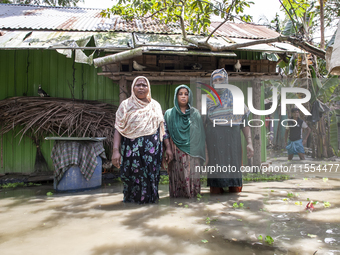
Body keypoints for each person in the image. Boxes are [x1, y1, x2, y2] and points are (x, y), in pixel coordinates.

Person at [112, 76, 173, 204]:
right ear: (132, 87)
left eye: (144, 85)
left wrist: (168, 148)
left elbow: (163, 128)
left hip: (152, 154)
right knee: (131, 179)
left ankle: (151, 205)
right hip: (131, 152)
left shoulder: (155, 106)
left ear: (148, 88)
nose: (141, 87)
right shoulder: (125, 105)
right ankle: (131, 205)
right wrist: (115, 150)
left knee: (151, 179)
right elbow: (118, 128)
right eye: (138, 85)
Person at [205, 68, 254, 194]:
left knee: (234, 185)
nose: (218, 82)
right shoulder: (207, 100)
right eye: (215, 80)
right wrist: (205, 151)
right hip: (214, 146)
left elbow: (244, 123)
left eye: (221, 79)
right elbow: (203, 127)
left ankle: (234, 200)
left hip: (233, 144)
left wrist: (249, 143)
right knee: (215, 185)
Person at [164, 85, 207, 198]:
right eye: (180, 94)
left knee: (192, 179)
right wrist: (168, 149)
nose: (183, 96)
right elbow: (165, 133)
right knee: (177, 176)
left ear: (190, 96)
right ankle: (177, 204)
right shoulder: (169, 114)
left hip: (193, 153)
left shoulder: (196, 114)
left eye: (186, 94)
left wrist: (204, 153)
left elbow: (201, 135)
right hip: (176, 151)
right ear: (176, 96)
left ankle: (193, 201)